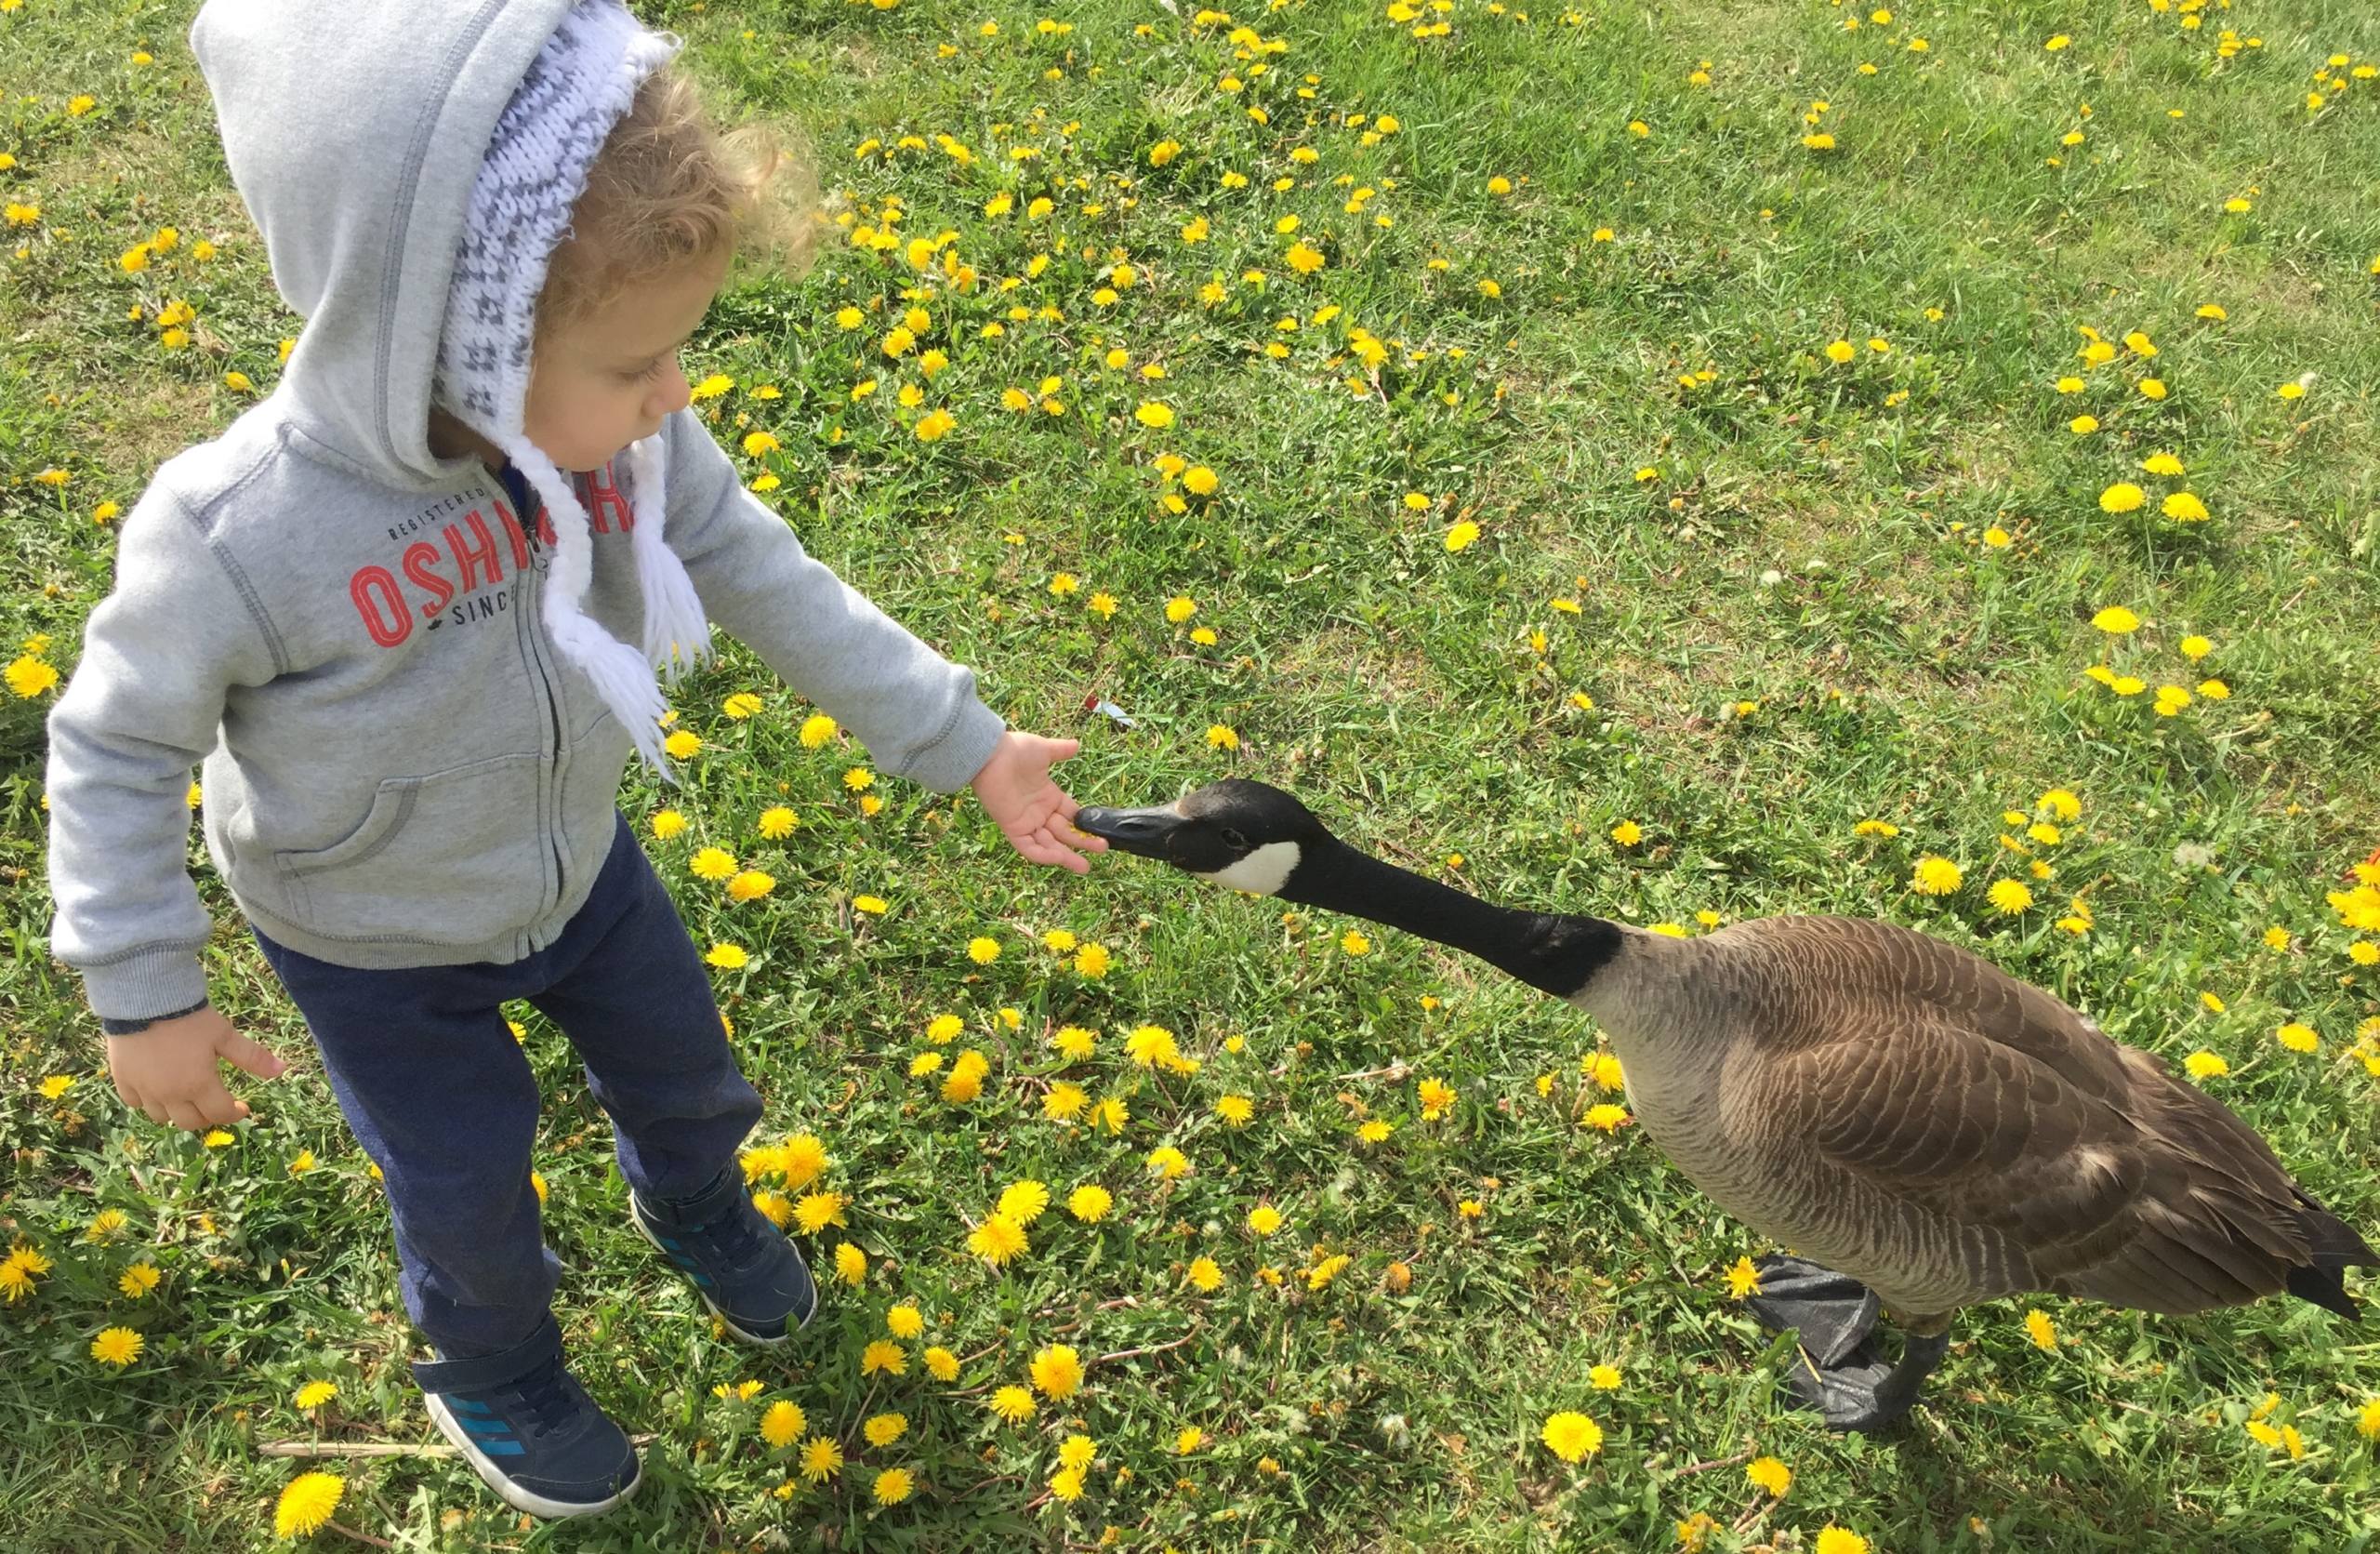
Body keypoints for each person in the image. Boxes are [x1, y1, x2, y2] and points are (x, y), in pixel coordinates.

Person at [43, 0, 1104, 1520]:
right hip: (374, 934)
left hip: (576, 861)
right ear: (450, 337)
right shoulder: (239, 536)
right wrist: (146, 987)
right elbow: (111, 745)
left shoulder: (631, 443)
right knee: (465, 1186)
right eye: (635, 364)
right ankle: (491, 1360)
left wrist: (969, 742)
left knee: (688, 1073)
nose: (671, 397)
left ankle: (694, 1195)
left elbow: (761, 566)